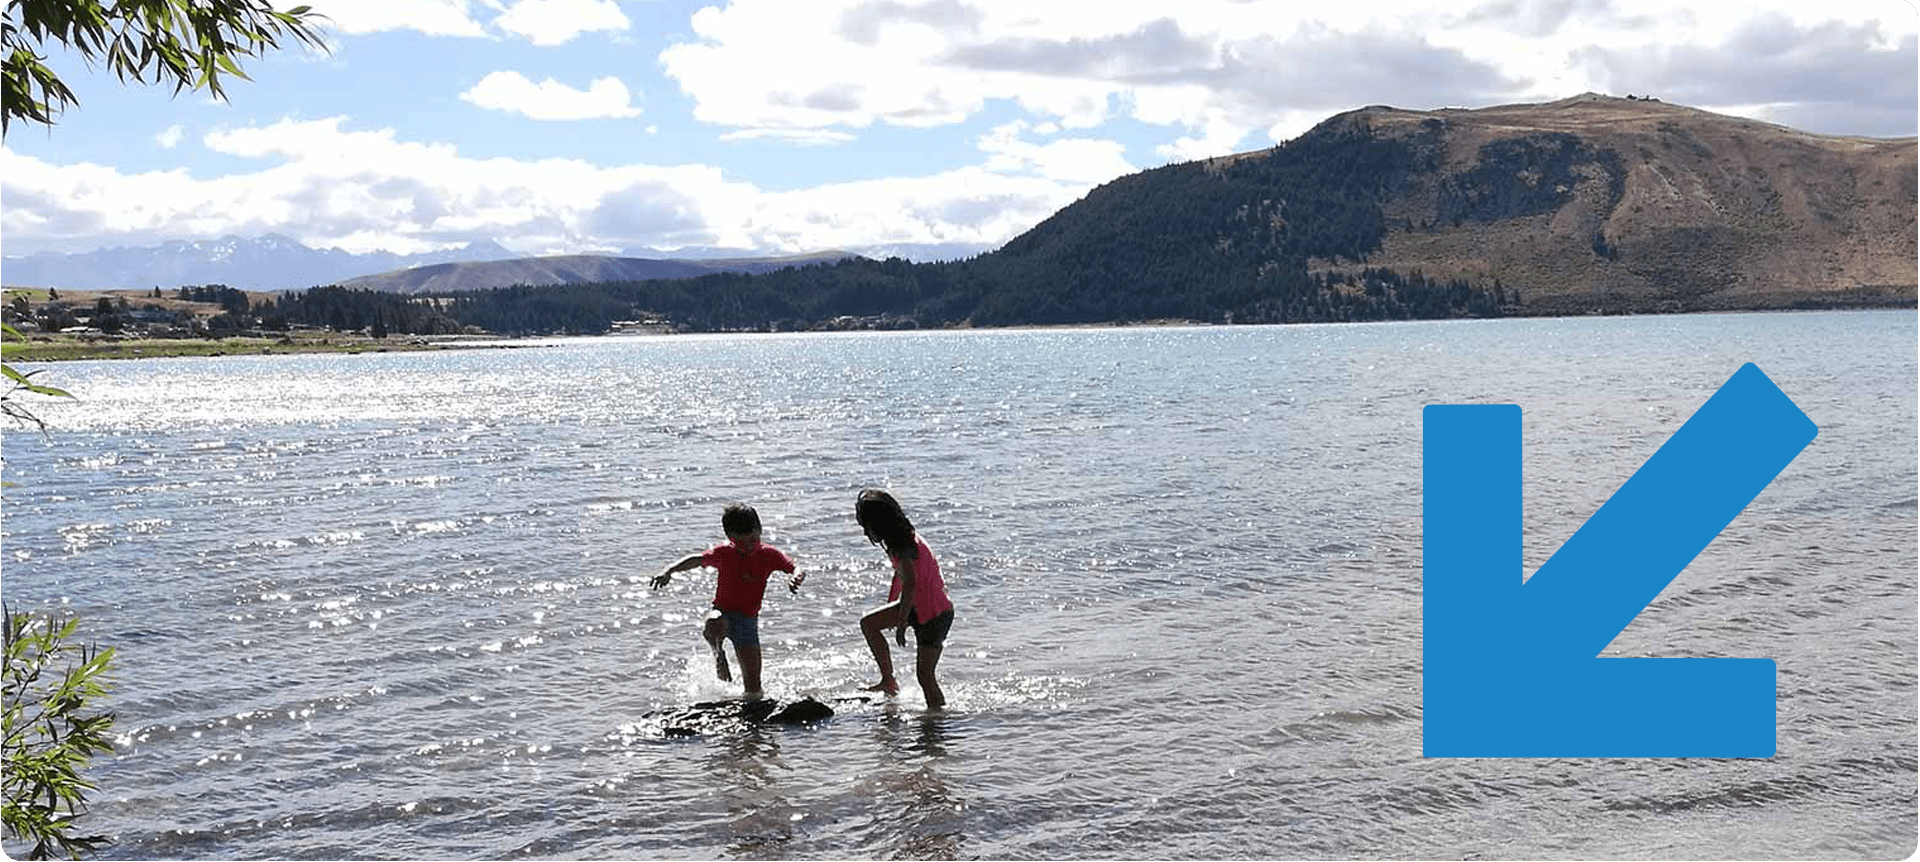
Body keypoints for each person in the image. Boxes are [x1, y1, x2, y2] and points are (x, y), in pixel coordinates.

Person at [652, 504, 804, 698]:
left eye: (753, 540)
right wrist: (668, 570)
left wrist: (796, 577)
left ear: (760, 531)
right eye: (741, 542)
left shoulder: (769, 554)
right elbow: (696, 559)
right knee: (713, 621)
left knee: (753, 691)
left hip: (748, 622)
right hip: (722, 612)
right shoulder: (724, 553)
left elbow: (796, 568)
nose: (749, 546)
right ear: (730, 538)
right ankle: (719, 653)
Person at [854, 488, 954, 710]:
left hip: (934, 615)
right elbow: (901, 575)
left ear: (879, 523)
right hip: (920, 606)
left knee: (925, 677)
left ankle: (936, 722)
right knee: (869, 624)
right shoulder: (901, 538)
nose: (865, 533)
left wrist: (900, 623)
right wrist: (893, 603)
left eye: (866, 526)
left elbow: (910, 582)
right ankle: (888, 681)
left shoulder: (903, 544)